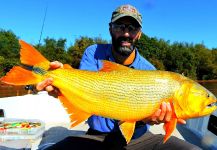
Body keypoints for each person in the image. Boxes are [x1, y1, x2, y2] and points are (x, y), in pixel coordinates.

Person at [37, 4, 201, 150]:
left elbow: (150, 118)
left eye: (133, 28)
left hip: (139, 138)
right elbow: (82, 90)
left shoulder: (150, 71)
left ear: (139, 34)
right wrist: (59, 81)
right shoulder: (93, 53)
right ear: (110, 29)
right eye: (120, 27)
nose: (127, 33)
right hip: (96, 136)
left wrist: (148, 119)